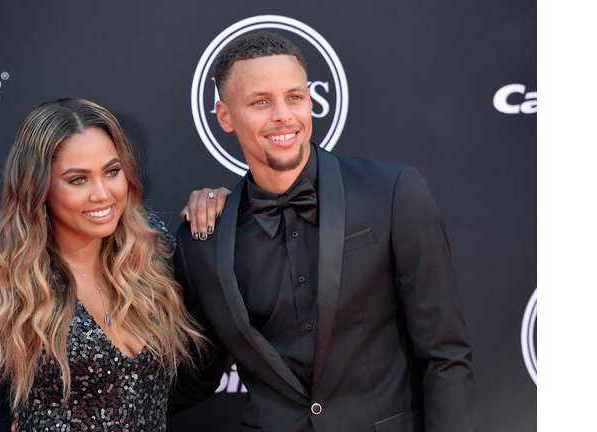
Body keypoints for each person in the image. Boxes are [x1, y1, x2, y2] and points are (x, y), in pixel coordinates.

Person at [169, 31, 479, 431]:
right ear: (225, 116)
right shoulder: (204, 239)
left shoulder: (392, 194)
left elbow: (446, 356)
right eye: (260, 102)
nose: (283, 115)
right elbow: (198, 375)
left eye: (295, 97)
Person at [0, 98, 226, 431]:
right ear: (40, 188)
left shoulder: (154, 251)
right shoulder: (11, 283)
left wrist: (224, 204)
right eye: (78, 179)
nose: (102, 194)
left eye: (112, 171)